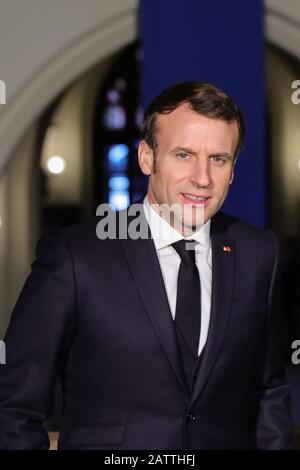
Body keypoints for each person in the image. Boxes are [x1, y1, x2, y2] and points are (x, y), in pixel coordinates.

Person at [0, 82, 293, 449]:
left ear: (232, 169)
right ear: (147, 158)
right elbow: (12, 408)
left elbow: (269, 391)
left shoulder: (259, 254)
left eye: (218, 159)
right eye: (184, 155)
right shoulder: (75, 256)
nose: (202, 179)